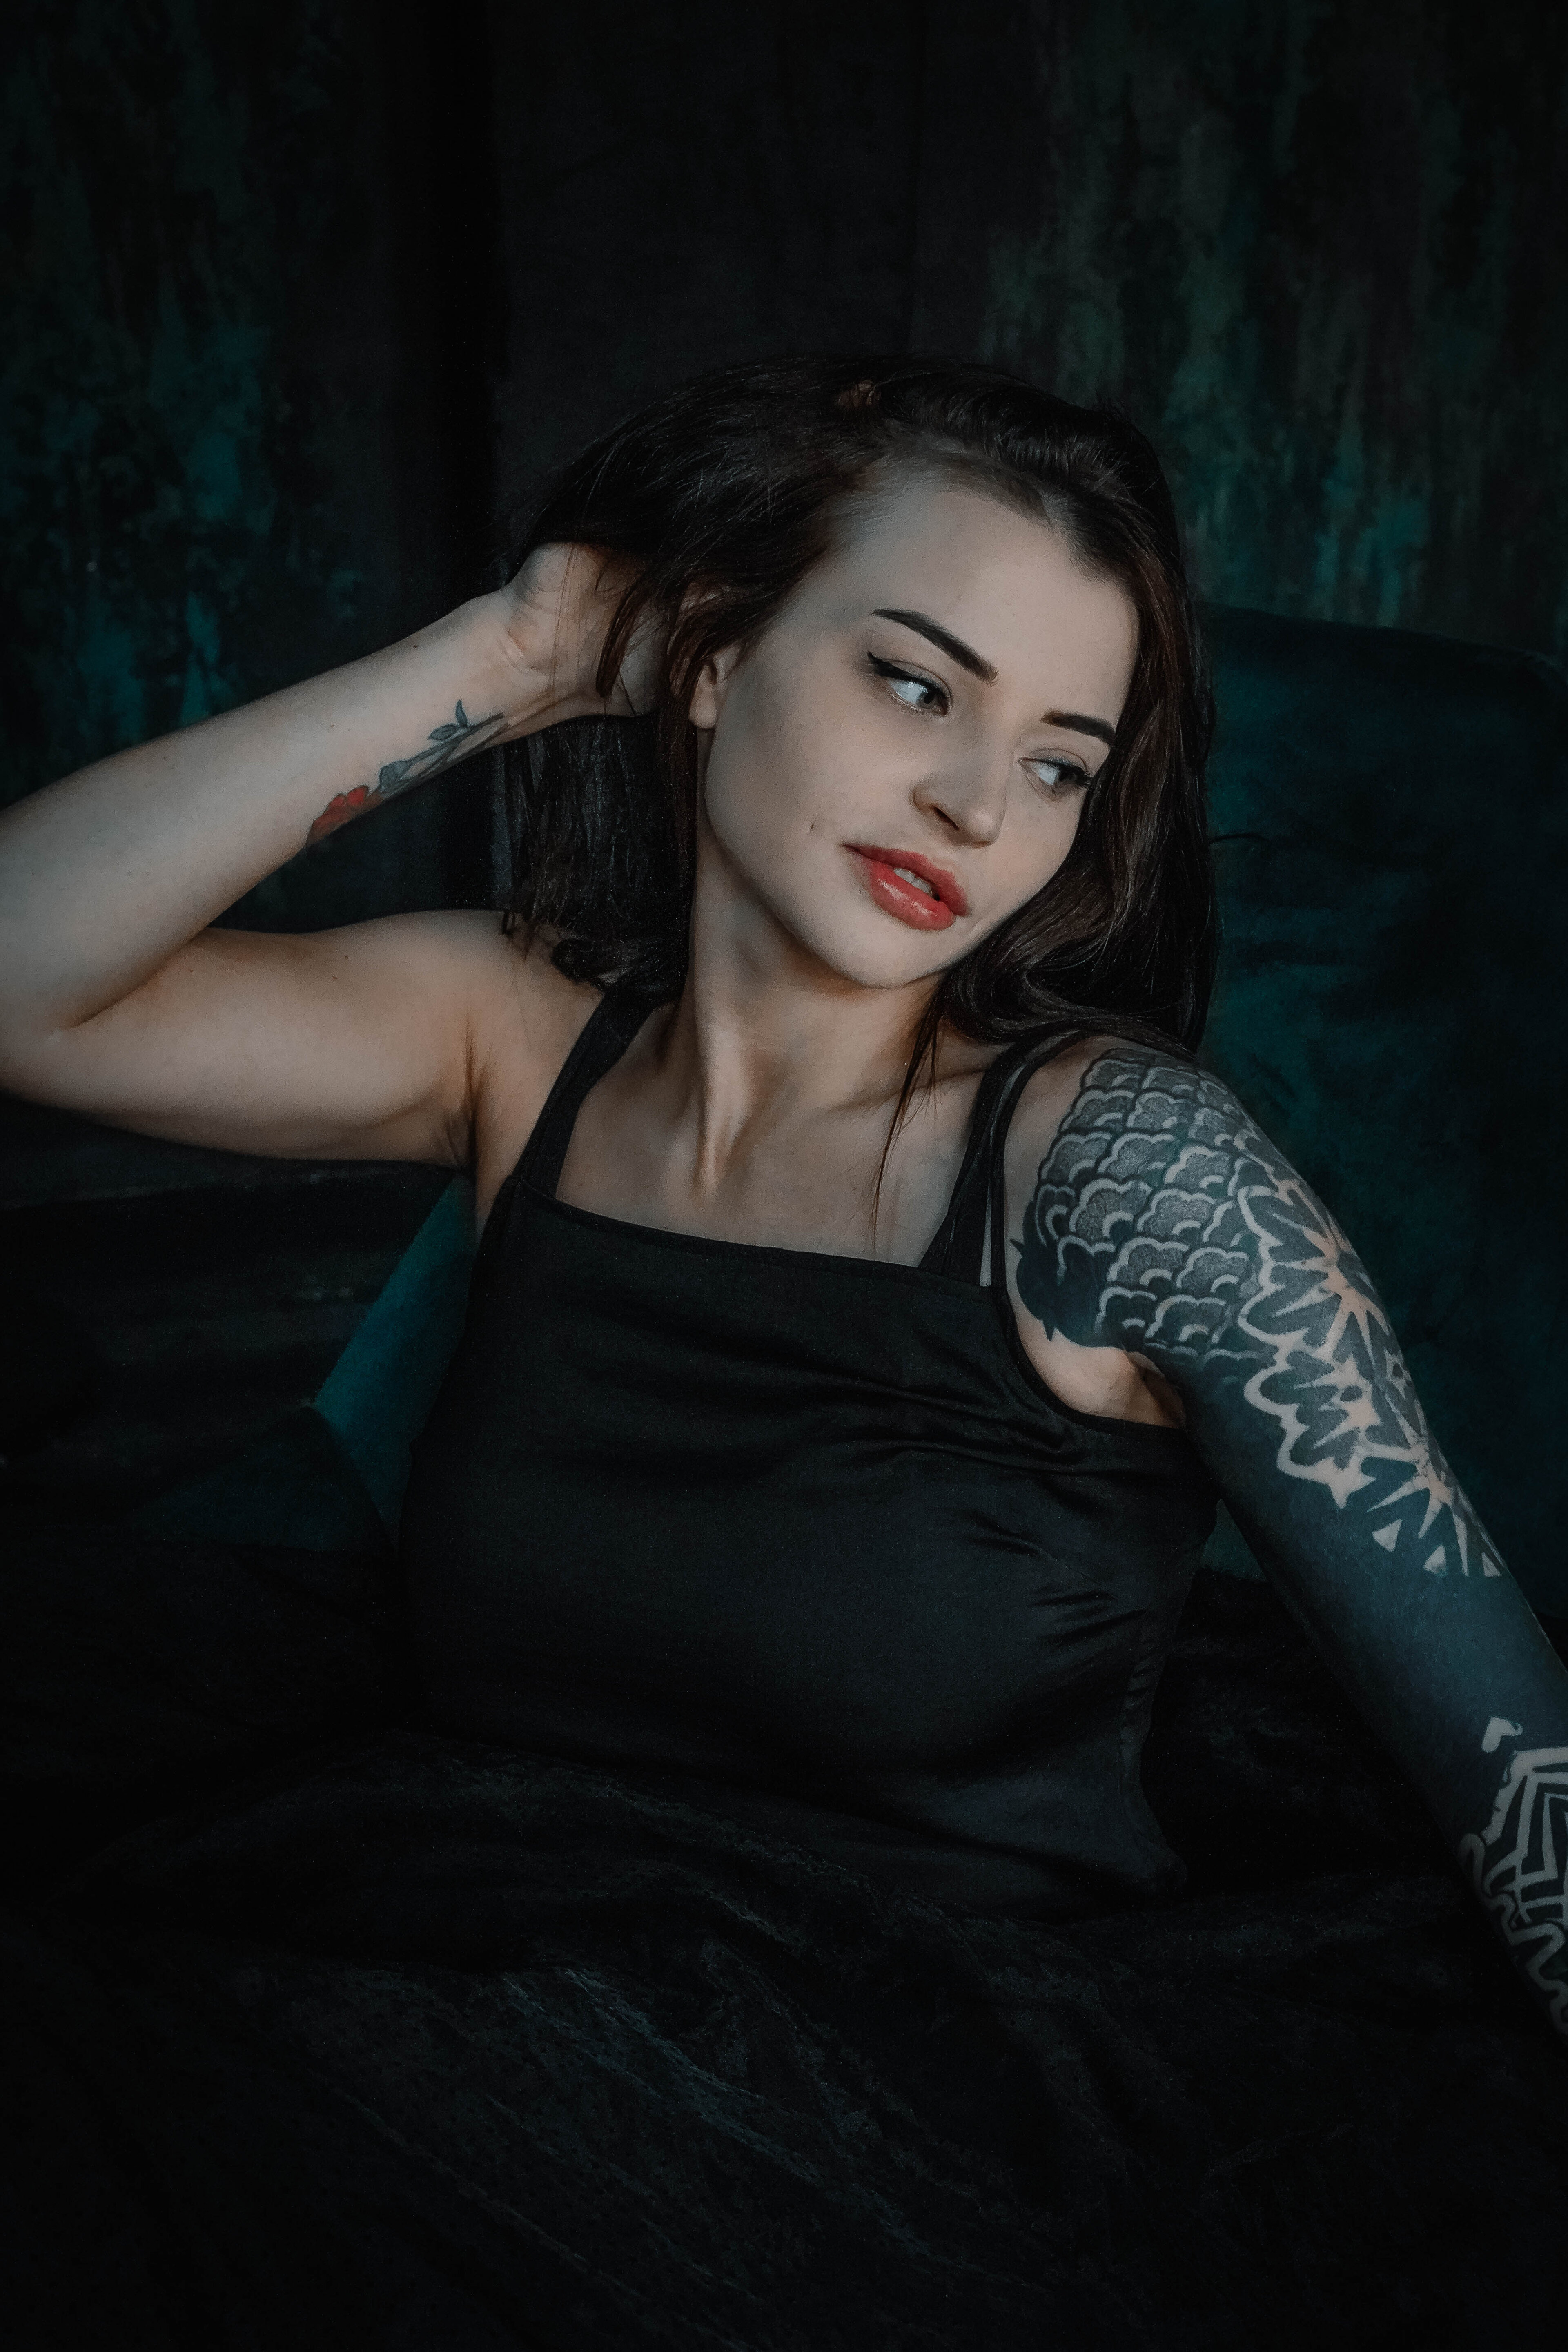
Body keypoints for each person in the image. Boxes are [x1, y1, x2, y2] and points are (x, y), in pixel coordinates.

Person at [1, 356, 1565, 2348]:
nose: (977, 806)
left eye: (1062, 763)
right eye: (915, 683)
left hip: (925, 2120)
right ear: (718, 658)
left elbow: (1518, 1766)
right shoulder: (516, 1043)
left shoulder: (1121, 1166)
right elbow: (23, 981)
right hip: (454, 1967)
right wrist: (528, 649)